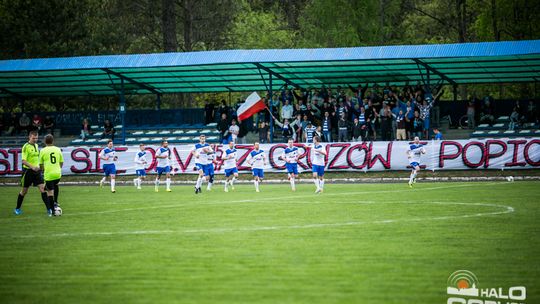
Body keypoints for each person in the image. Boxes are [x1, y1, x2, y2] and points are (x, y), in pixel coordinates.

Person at [13, 131, 50, 215]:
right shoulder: (26, 147)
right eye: (33, 138)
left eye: (36, 138)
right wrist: (32, 166)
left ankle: (49, 210)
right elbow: (23, 161)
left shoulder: (36, 145)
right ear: (29, 137)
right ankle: (17, 208)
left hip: (36, 172)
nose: (35, 140)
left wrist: (40, 167)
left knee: (43, 189)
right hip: (28, 172)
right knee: (24, 191)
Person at [39, 134, 63, 216]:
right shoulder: (58, 149)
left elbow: (41, 164)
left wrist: (42, 169)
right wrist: (58, 169)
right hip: (57, 174)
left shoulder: (42, 151)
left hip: (49, 174)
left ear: (45, 141)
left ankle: (52, 211)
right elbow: (61, 162)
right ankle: (56, 202)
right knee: (55, 185)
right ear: (53, 141)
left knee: (49, 193)